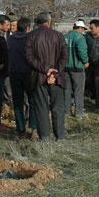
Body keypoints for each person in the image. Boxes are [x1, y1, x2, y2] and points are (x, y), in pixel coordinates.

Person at [25, 12, 68, 140]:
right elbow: (64, 56)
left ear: (37, 22)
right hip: (57, 77)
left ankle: (44, 137)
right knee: (58, 108)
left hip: (38, 77)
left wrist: (46, 70)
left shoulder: (31, 36)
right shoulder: (59, 36)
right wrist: (54, 72)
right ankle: (59, 136)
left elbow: (29, 57)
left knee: (41, 108)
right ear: (49, 22)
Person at [8, 17, 36, 136]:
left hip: (14, 73)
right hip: (29, 73)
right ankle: (33, 127)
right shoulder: (30, 39)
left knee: (18, 102)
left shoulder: (10, 39)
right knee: (33, 100)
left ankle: (20, 129)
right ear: (28, 27)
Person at [64, 20, 90, 118]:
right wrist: (85, 61)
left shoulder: (65, 37)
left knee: (67, 90)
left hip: (66, 67)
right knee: (78, 90)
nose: (83, 31)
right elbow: (82, 51)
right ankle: (78, 112)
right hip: (77, 68)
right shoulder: (80, 37)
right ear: (79, 28)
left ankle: (66, 111)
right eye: (83, 29)